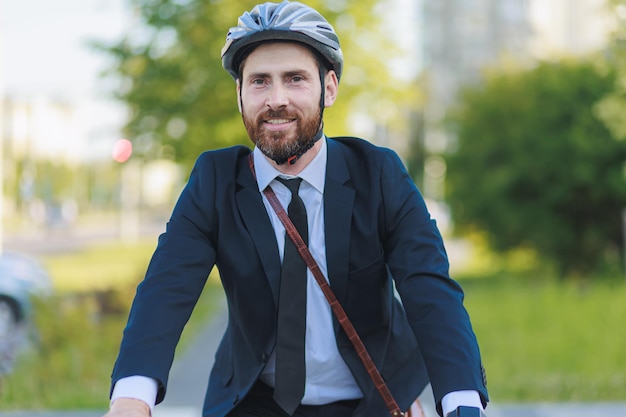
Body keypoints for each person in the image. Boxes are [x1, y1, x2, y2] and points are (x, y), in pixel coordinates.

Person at [104, 1, 489, 417]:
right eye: (259, 82)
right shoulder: (215, 180)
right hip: (255, 400)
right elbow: (166, 289)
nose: (277, 99)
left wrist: (462, 401)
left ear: (329, 88)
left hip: (371, 399)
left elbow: (429, 289)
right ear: (239, 94)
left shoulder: (378, 173)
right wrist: (132, 397)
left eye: (295, 79)